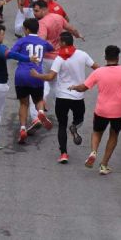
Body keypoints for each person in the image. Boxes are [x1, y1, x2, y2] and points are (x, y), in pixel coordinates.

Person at [69, 45, 121, 174]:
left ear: (105, 57)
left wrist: (74, 87)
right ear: (118, 57)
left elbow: (83, 87)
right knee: (113, 134)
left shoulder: (98, 72)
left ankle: (93, 151)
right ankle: (104, 165)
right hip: (120, 111)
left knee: (97, 132)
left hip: (102, 110)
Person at [31, 32, 98, 163]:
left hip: (62, 96)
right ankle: (74, 127)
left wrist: (37, 75)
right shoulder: (83, 54)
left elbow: (50, 77)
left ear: (62, 43)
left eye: (59, 42)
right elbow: (97, 68)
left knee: (62, 125)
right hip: (78, 96)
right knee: (79, 119)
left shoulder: (59, 59)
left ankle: (63, 154)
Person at [11, 18, 54, 144]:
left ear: (27, 29)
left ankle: (23, 128)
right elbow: (51, 48)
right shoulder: (42, 42)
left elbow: (12, 54)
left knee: (23, 104)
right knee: (39, 99)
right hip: (36, 75)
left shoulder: (22, 40)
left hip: (21, 75)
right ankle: (40, 112)